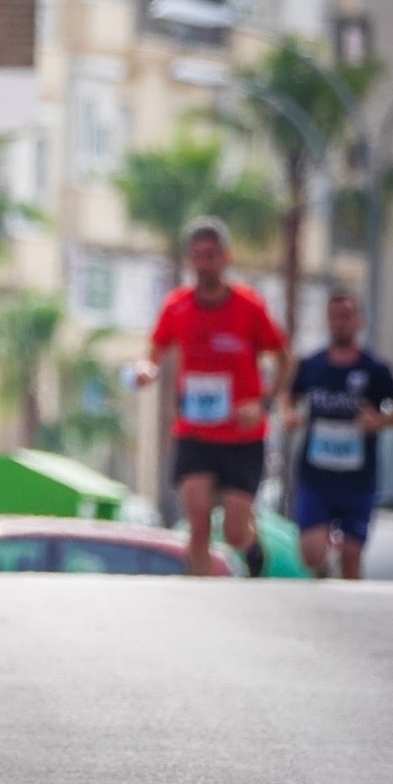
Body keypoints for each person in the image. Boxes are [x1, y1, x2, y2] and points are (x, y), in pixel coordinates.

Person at [134, 217, 290, 577]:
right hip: (195, 430)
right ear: (190, 260)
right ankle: (203, 600)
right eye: (199, 256)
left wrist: (264, 403)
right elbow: (155, 351)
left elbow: (284, 360)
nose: (205, 263)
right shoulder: (177, 306)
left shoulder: (249, 307)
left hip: (242, 436)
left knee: (233, 533)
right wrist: (146, 369)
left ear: (226, 258)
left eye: (212, 255)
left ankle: (251, 542)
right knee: (198, 522)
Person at [284, 289, 393, 579]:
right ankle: (323, 575)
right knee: (311, 552)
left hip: (357, 478)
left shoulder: (374, 369)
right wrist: (289, 414)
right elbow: (290, 397)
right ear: (327, 321)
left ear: (359, 321)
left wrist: (380, 422)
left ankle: (348, 610)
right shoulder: (312, 365)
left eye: (347, 316)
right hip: (316, 475)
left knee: (351, 556)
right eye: (335, 317)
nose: (340, 323)